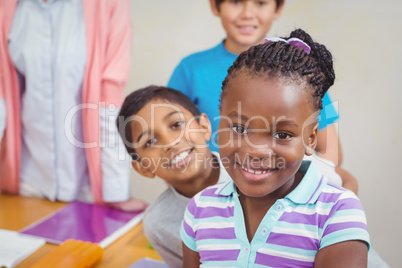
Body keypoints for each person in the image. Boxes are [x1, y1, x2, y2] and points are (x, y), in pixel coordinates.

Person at [181, 29, 370, 267]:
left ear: (310, 139)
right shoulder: (199, 209)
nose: (257, 151)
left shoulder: (337, 213)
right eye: (239, 128)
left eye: (282, 134)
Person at [167, 0, 358, 194]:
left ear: (278, 8)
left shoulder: (299, 75)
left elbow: (330, 153)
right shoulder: (190, 70)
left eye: (260, 3)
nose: (247, 14)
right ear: (215, 6)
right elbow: (170, 148)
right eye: (235, 2)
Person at [0, 0, 146, 211]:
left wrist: (116, 191)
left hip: (87, 186)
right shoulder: (8, 7)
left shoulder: (110, 5)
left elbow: (110, 103)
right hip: (26, 182)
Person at [117, 86, 231, 268]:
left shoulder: (255, 175)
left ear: (204, 127)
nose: (170, 142)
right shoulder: (158, 224)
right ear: (143, 168)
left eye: (176, 125)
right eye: (151, 141)